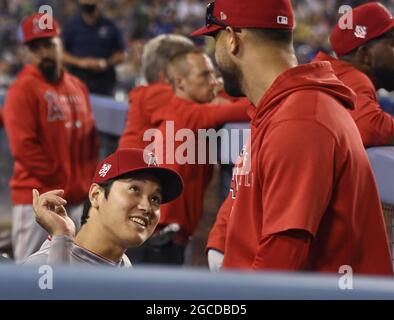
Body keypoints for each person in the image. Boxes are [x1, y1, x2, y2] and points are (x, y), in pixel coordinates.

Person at [192, 0, 393, 275]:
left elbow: (279, 265)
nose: (216, 54)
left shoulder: (301, 119)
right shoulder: (280, 108)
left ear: (232, 40)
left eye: (215, 39)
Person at [119, 35, 250, 265]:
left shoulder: (172, 104)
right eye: (204, 73)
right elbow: (245, 106)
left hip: (144, 220)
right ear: (173, 78)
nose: (214, 81)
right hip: (153, 227)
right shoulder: (173, 103)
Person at [3, 13, 99, 264]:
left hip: (74, 201)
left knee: (68, 275)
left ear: (60, 44)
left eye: (49, 44)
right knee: (31, 278)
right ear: (27, 52)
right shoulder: (21, 90)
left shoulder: (77, 86)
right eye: (35, 48)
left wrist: (84, 186)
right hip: (38, 200)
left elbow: (91, 142)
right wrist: (66, 183)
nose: (43, 53)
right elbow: (24, 149)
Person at [24, 148, 183, 267]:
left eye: (155, 198)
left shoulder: (123, 266)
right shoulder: (42, 265)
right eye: (134, 189)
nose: (147, 206)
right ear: (96, 195)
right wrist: (61, 238)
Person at [312, 2, 394, 147]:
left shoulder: (330, 74)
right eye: (392, 45)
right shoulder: (351, 78)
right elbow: (368, 129)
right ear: (365, 55)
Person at [62, 0, 127, 96]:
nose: (88, 3)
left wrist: (105, 63)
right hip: (76, 85)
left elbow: (122, 55)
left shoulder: (110, 26)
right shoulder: (71, 26)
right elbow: (61, 54)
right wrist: (81, 62)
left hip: (104, 86)